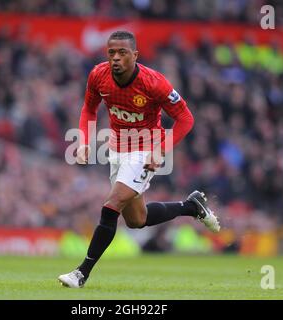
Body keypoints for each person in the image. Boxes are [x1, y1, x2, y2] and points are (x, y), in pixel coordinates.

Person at [58, 31, 220, 288]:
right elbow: (89, 108)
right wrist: (84, 143)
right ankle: (191, 206)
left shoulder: (154, 83)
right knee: (136, 220)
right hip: (117, 149)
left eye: (122, 53)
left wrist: (161, 150)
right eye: (111, 53)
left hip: (145, 149)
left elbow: (186, 118)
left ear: (135, 56)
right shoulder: (98, 75)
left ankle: (81, 273)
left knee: (111, 205)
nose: (116, 58)